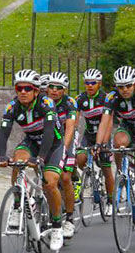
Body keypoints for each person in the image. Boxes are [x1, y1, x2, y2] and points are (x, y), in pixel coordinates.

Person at [0, 69, 65, 251]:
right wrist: (1, 156)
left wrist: (41, 158)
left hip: (53, 145)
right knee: (17, 161)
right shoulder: (12, 107)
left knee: (50, 184)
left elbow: (49, 133)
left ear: (36, 91)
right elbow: (3, 134)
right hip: (32, 141)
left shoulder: (46, 103)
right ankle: (19, 205)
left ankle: (57, 226)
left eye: (28, 88)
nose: (23, 92)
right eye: (19, 88)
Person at [76, 68, 114, 216]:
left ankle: (110, 201)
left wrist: (103, 143)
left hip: (103, 135)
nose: (90, 85)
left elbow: (109, 123)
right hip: (89, 134)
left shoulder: (106, 99)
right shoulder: (80, 99)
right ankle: (90, 174)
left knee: (106, 168)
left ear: (99, 83)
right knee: (80, 158)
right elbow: (75, 121)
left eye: (93, 83)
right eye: (87, 83)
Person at [47, 72, 78, 238]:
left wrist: (64, 149)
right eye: (51, 86)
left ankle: (70, 218)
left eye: (58, 88)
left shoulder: (69, 103)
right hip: (48, 141)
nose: (54, 90)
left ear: (64, 90)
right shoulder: (42, 102)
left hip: (66, 139)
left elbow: (70, 128)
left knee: (65, 177)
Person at [96, 66, 135, 172]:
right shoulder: (112, 97)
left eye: (128, 85)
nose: (125, 90)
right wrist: (98, 144)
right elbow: (104, 122)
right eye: (121, 87)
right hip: (127, 125)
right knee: (118, 142)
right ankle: (120, 171)